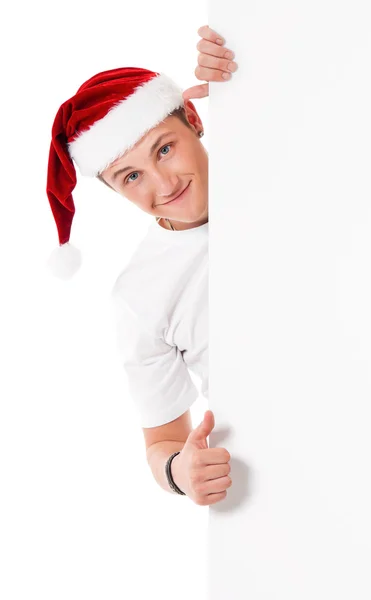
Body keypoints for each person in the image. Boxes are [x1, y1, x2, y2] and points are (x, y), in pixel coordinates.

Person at [45, 25, 238, 506]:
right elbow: (162, 443)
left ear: (193, 117)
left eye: (165, 148)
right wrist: (181, 472)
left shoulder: (285, 167)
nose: (163, 184)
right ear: (113, 188)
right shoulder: (140, 294)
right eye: (132, 176)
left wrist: (246, 58)